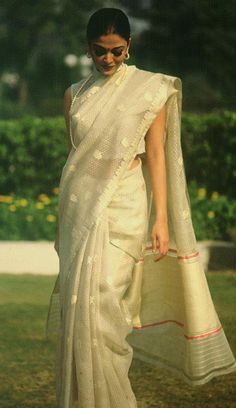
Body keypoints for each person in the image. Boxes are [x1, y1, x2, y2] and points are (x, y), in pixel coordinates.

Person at [46, 7, 236, 408]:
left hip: (125, 206)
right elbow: (74, 158)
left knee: (106, 307)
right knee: (80, 308)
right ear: (88, 49)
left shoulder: (150, 91)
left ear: (129, 46)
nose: (108, 59)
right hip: (80, 210)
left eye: (116, 51)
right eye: (99, 51)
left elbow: (156, 157)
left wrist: (161, 219)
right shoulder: (74, 95)